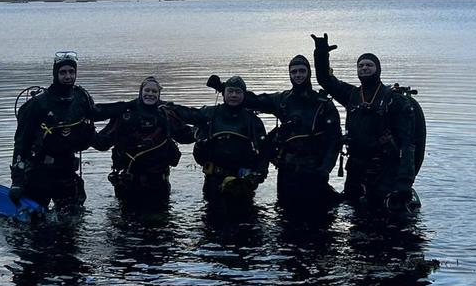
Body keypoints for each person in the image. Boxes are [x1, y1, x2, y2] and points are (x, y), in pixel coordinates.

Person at [311, 33, 426, 212]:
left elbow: (407, 145)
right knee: (355, 219)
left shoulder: (393, 100)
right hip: (356, 171)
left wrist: (404, 183)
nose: (364, 68)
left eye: (369, 65)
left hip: (385, 171)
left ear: (377, 69)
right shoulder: (352, 95)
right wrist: (321, 54)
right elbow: (326, 81)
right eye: (361, 65)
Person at [207, 55, 340, 208]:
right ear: (289, 74)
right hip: (286, 172)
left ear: (308, 73)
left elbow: (335, 141)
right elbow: (254, 101)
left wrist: (326, 169)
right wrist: (222, 88)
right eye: (294, 71)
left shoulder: (323, 105)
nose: (298, 75)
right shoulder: (283, 100)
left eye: (302, 71)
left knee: (317, 218)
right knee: (285, 215)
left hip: (314, 170)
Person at [10, 51, 97, 208]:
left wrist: (130, 106)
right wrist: (17, 181)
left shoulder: (80, 99)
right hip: (39, 172)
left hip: (66, 171)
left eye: (71, 72)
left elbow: (97, 117)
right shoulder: (37, 105)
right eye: (63, 72)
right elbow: (21, 143)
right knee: (36, 226)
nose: (68, 76)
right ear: (55, 73)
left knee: (71, 222)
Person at [90, 76, 195, 200]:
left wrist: (205, 128)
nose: (150, 94)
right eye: (147, 91)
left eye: (154, 91)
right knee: (128, 218)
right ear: (141, 92)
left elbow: (185, 136)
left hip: (158, 183)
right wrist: (86, 131)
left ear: (159, 94)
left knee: (158, 218)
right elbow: (103, 143)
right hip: (128, 182)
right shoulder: (125, 114)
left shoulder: (166, 114)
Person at [170, 76, 270, 202]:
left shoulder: (253, 121)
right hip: (214, 180)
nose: (234, 95)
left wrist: (254, 179)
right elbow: (190, 114)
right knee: (212, 217)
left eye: (238, 92)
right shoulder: (210, 113)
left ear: (244, 95)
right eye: (230, 91)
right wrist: (166, 106)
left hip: (242, 182)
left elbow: (264, 153)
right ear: (224, 93)